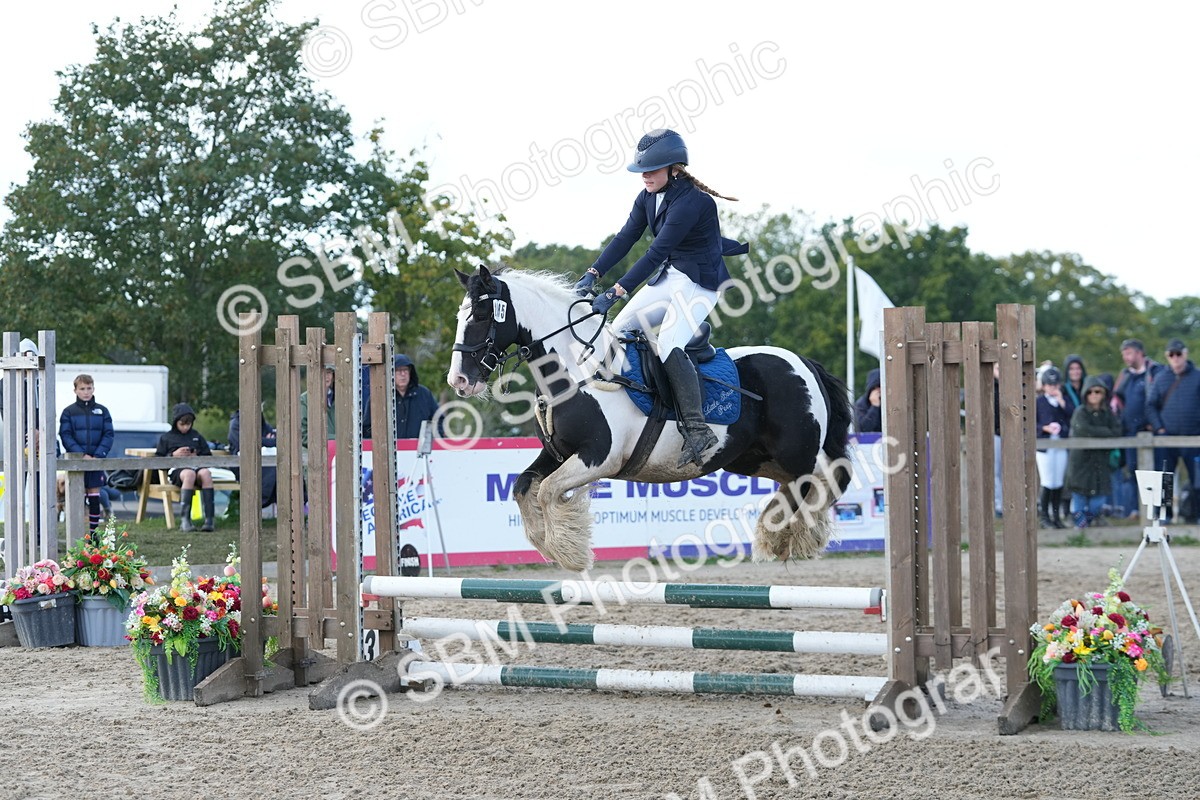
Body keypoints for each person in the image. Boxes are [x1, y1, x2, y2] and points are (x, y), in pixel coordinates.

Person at [575, 128, 748, 468]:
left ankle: (698, 430)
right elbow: (626, 237)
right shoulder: (647, 197)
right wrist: (593, 274)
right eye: (642, 171)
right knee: (619, 330)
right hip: (670, 277)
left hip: (700, 282)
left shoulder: (694, 202)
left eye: (652, 171)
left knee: (669, 343)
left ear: (675, 169)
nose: (645, 177)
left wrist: (616, 291)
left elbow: (656, 252)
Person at [1147, 338, 1200, 524]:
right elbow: (1151, 405)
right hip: (1166, 439)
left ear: (1185, 354)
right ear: (1167, 357)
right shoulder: (1161, 378)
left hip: (1193, 439)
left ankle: (1195, 516)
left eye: (1179, 354)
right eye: (1172, 355)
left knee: (1198, 480)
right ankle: (1164, 517)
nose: (1175, 358)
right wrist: (1159, 428)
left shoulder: (1197, 376)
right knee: (1164, 479)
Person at [1111, 338, 1165, 518]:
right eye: (1123, 354)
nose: (1125, 357)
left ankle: (1156, 512)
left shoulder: (1155, 372)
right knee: (1134, 471)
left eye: (1128, 353)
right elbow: (1118, 399)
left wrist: (1155, 423)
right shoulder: (1125, 376)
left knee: (1155, 473)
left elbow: (1160, 400)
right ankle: (1136, 509)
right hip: (1130, 432)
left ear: (1139, 352)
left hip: (1150, 432)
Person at [58, 374, 114, 532]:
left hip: (96, 461)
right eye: (82, 388)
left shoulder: (103, 411)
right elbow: (65, 435)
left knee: (94, 494)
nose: (86, 392)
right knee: (77, 496)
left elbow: (108, 434)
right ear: (75, 390)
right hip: (77, 461)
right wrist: (81, 455)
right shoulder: (68, 412)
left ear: (94, 389)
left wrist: (98, 455)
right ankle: (76, 533)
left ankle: (94, 533)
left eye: (89, 388)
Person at [1065, 377, 1122, 528]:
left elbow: (1117, 431)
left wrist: (1100, 433)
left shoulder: (1108, 413)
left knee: (1097, 502)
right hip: (1081, 462)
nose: (1094, 395)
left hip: (1101, 462)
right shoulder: (1080, 412)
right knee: (1080, 498)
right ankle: (1080, 530)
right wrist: (1105, 433)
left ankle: (1089, 521)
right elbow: (1083, 430)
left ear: (1103, 394)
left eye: (1098, 391)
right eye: (1090, 392)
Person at [155, 403, 215, 532]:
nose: (185, 427)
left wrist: (196, 455)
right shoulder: (166, 438)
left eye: (188, 424)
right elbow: (158, 460)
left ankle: (209, 520)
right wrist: (173, 455)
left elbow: (208, 456)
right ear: (176, 422)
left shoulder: (197, 436)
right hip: (177, 471)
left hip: (196, 466)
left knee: (206, 473)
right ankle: (185, 521)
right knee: (189, 474)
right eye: (182, 424)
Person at [1035, 367, 1071, 529]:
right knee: (1048, 481)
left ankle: (1056, 517)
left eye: (1055, 384)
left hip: (1060, 445)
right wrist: (1044, 428)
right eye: (1050, 385)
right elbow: (1031, 423)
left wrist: (1062, 402)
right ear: (1044, 386)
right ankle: (1045, 517)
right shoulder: (1039, 402)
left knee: (1058, 482)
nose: (1053, 388)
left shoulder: (1063, 401)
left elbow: (1073, 417)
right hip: (1044, 446)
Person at [228, 407, 278, 510]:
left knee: (279, 466)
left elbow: (275, 439)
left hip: (262, 462)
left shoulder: (260, 420)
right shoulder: (236, 424)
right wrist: (265, 441)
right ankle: (260, 500)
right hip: (242, 465)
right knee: (273, 468)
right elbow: (245, 444)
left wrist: (260, 441)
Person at [393, 354, 440, 439]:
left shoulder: (424, 394)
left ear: (411, 372)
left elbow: (439, 420)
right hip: (388, 450)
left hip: (420, 450)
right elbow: (367, 428)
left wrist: (431, 441)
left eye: (405, 370)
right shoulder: (381, 396)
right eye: (398, 370)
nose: (403, 374)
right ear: (391, 373)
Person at [854, 368, 882, 433]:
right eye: (876, 387)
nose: (879, 390)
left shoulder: (892, 402)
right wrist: (874, 407)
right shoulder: (861, 403)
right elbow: (863, 429)